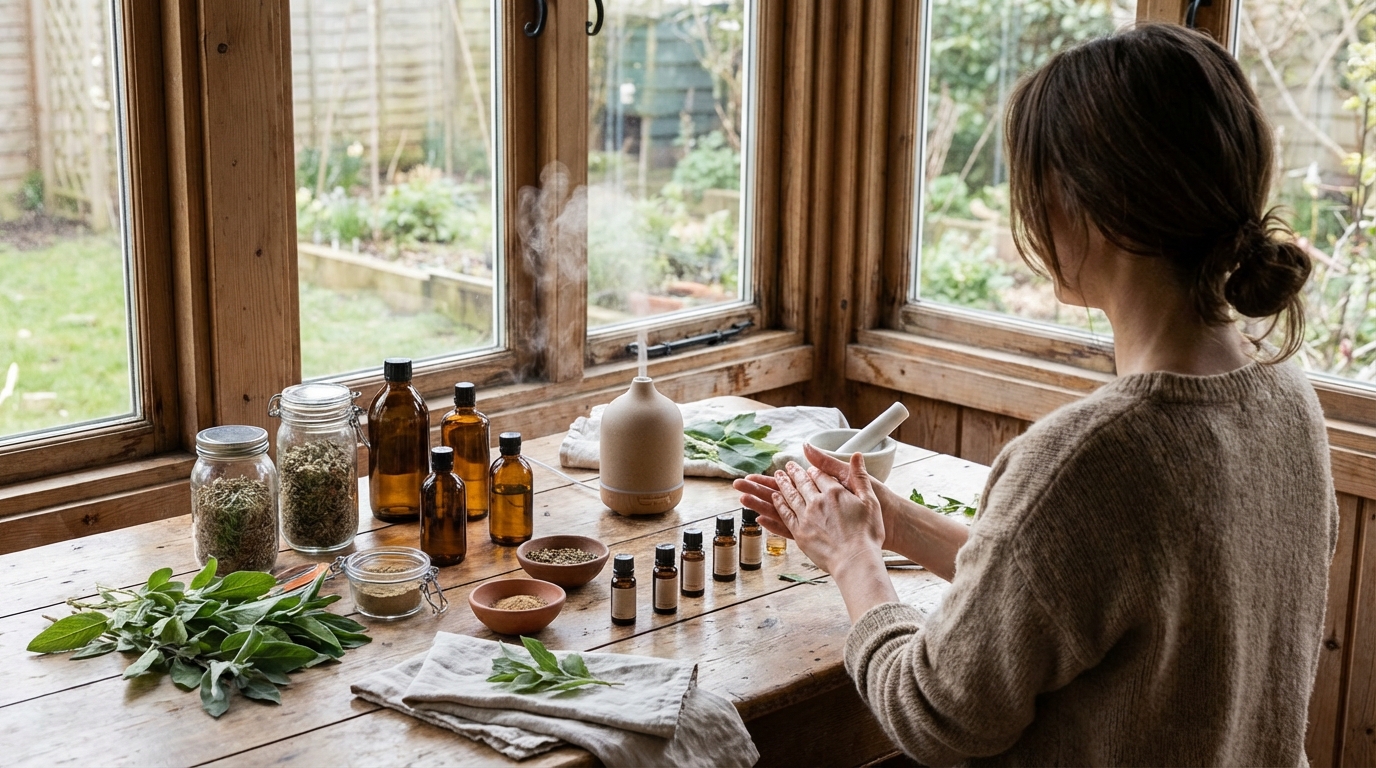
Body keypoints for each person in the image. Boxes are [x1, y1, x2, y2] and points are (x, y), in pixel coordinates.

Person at [736, 23, 1337, 767]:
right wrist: (894, 522)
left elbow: (931, 716)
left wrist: (851, 560)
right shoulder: (1283, 395)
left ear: (1082, 201)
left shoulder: (1093, 456)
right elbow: (1067, 591)